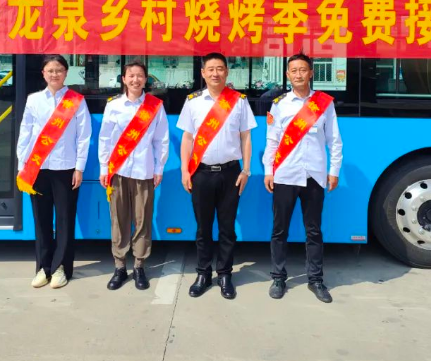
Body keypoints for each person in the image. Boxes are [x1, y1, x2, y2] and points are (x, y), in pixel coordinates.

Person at [263, 53, 342, 302]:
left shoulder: (324, 104)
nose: (298, 74)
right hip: (285, 175)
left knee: (314, 231)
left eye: (303, 70)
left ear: (311, 73)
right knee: (279, 230)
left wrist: (334, 171)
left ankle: (316, 280)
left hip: (314, 176)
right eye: (294, 71)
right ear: (288, 75)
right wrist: (268, 171)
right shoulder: (280, 104)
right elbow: (272, 140)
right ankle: (278, 277)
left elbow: (335, 140)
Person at [177, 53, 256, 299]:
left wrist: (246, 170)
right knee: (203, 228)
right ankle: (203, 273)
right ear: (203, 73)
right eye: (210, 69)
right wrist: (184, 170)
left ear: (227, 72)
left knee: (227, 228)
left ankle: (224, 274)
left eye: (220, 68)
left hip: (231, 173)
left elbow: (246, 137)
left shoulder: (238, 101)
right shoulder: (193, 102)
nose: (215, 73)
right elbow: (187, 138)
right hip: (201, 173)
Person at [16, 55, 91, 289]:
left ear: (66, 73)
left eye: (59, 70)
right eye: (50, 70)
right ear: (43, 73)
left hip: (66, 168)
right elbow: (25, 133)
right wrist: (22, 166)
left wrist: (79, 167)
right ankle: (43, 267)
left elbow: (84, 136)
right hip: (37, 168)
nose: (54, 74)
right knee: (41, 220)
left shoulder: (76, 101)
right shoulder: (34, 100)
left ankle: (61, 268)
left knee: (65, 220)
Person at [98, 61, 169, 291]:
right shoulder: (114, 105)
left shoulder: (155, 106)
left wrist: (159, 168)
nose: (135, 80)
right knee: (118, 220)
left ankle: (139, 266)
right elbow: (105, 139)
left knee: (142, 221)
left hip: (144, 171)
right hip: (118, 171)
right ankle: (119, 266)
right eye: (131, 75)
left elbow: (161, 140)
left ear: (146, 79)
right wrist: (104, 168)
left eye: (140, 76)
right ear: (124, 79)